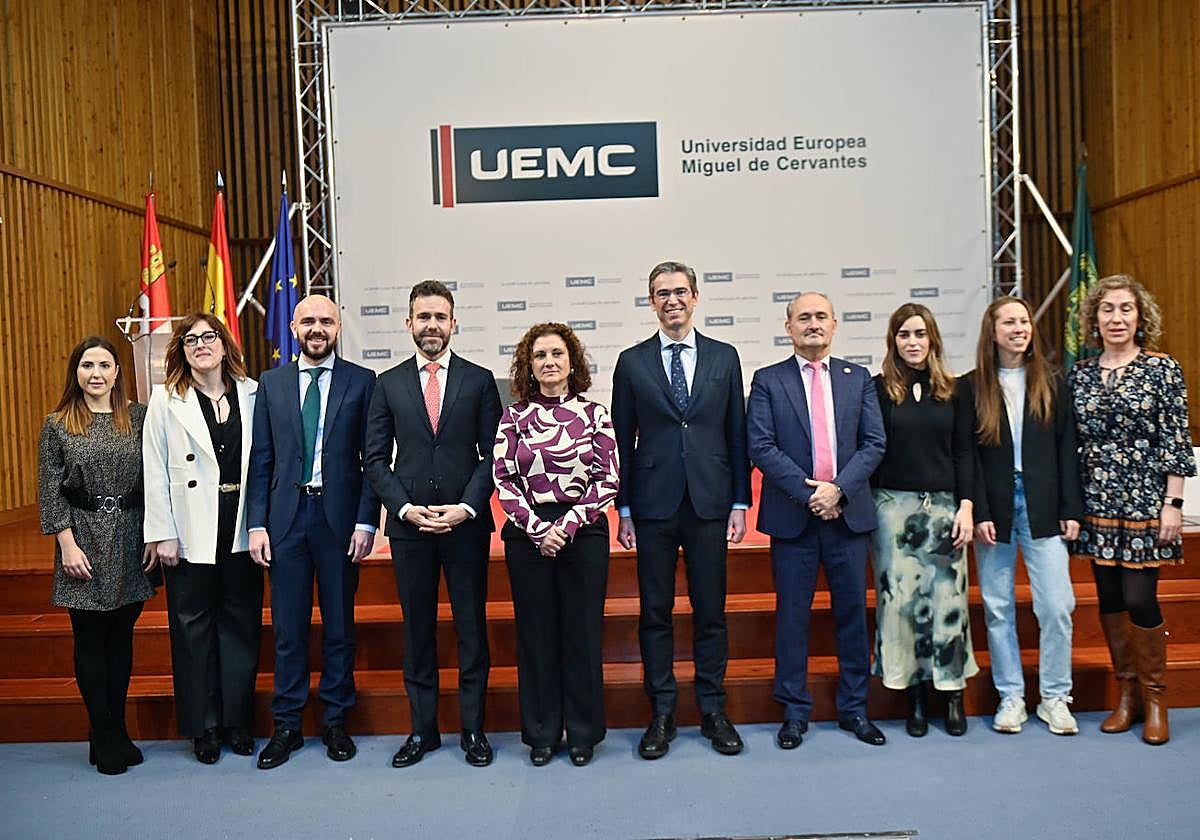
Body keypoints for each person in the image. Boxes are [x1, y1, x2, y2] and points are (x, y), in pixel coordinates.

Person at [611, 260, 751, 759]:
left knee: (711, 611)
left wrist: (740, 500)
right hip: (651, 505)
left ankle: (713, 710)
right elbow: (621, 441)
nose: (672, 300)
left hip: (711, 501)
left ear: (695, 297)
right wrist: (623, 507)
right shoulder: (631, 362)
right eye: (661, 293)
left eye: (680, 291)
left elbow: (737, 432)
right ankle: (663, 712)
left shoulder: (724, 357)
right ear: (651, 302)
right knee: (655, 612)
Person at [365, 280, 502, 768]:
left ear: (454, 323)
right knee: (417, 633)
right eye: (423, 317)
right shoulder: (388, 383)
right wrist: (404, 508)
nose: (431, 325)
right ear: (409, 324)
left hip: (466, 527)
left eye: (440, 317)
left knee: (471, 631)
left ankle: (473, 731)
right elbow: (376, 459)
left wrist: (467, 506)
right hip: (411, 529)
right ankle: (422, 732)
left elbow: (493, 455)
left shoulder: (481, 380)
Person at [747, 292, 887, 750]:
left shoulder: (859, 378)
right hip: (795, 516)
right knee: (792, 617)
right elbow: (761, 446)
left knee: (852, 616)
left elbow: (873, 443)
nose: (812, 324)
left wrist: (838, 490)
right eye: (803, 317)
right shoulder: (768, 380)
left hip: (847, 516)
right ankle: (794, 711)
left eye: (820, 316)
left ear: (834, 324)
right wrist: (812, 494)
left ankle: (854, 709)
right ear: (788, 327)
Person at [246, 295, 381, 769]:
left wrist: (367, 520)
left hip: (340, 521)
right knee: (288, 629)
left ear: (339, 328)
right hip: (285, 521)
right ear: (294, 328)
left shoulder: (363, 383)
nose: (317, 328)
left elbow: (372, 462)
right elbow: (261, 459)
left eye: (326, 321)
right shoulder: (272, 383)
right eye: (308, 321)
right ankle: (287, 724)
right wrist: (256, 523)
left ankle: (336, 722)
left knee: (340, 627)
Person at [1070, 275, 1195, 745]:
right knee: (1110, 600)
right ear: (1094, 319)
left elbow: (1176, 440)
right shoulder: (1079, 373)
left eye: (1125, 309)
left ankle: (1157, 698)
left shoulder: (1162, 369)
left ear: (1140, 316)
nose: (1116, 318)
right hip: (1097, 501)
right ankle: (1128, 695)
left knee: (1142, 599)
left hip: (1147, 500)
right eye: (1107, 309)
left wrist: (1173, 503)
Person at [493, 323, 619, 767]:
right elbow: (504, 480)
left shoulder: (595, 414)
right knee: (537, 636)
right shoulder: (513, 417)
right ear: (529, 366)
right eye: (540, 355)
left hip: (582, 533)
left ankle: (583, 733)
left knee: (582, 635)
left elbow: (608, 479)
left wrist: (565, 526)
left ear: (572, 363)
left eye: (557, 354)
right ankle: (542, 732)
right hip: (529, 538)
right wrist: (536, 528)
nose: (549, 362)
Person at [143, 313, 262, 764]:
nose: (200, 345)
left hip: (240, 527)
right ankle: (204, 728)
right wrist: (162, 533)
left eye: (208, 336)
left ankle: (237, 722)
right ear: (181, 350)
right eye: (190, 340)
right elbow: (153, 469)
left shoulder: (252, 393)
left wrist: (261, 525)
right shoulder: (165, 399)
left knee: (240, 629)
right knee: (192, 633)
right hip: (189, 530)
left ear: (223, 343)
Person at [38, 336, 157, 775]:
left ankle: (116, 727)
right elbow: (50, 491)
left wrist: (154, 535)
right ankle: (102, 732)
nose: (96, 374)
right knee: (90, 639)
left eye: (104, 365)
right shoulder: (58, 424)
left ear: (117, 373)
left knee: (121, 638)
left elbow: (156, 479)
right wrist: (66, 543)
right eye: (87, 365)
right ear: (76, 373)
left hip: (130, 533)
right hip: (82, 536)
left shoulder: (139, 418)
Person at [967, 297, 1082, 735]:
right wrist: (977, 509)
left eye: (1024, 321)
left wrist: (1072, 507)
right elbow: (969, 457)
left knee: (1056, 606)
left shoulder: (1052, 381)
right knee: (998, 607)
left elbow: (1067, 449)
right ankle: (1011, 696)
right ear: (992, 331)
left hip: (1043, 505)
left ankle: (1055, 698)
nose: (1019, 328)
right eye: (1009, 322)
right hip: (993, 511)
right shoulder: (972, 386)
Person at [869, 302, 977, 738]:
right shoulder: (877, 390)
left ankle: (951, 694)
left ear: (932, 339)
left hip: (946, 510)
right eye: (903, 335)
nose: (912, 343)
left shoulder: (955, 390)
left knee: (949, 604)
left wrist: (968, 506)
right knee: (900, 606)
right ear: (893, 341)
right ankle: (912, 695)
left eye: (919, 334)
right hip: (892, 510)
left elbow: (965, 452)